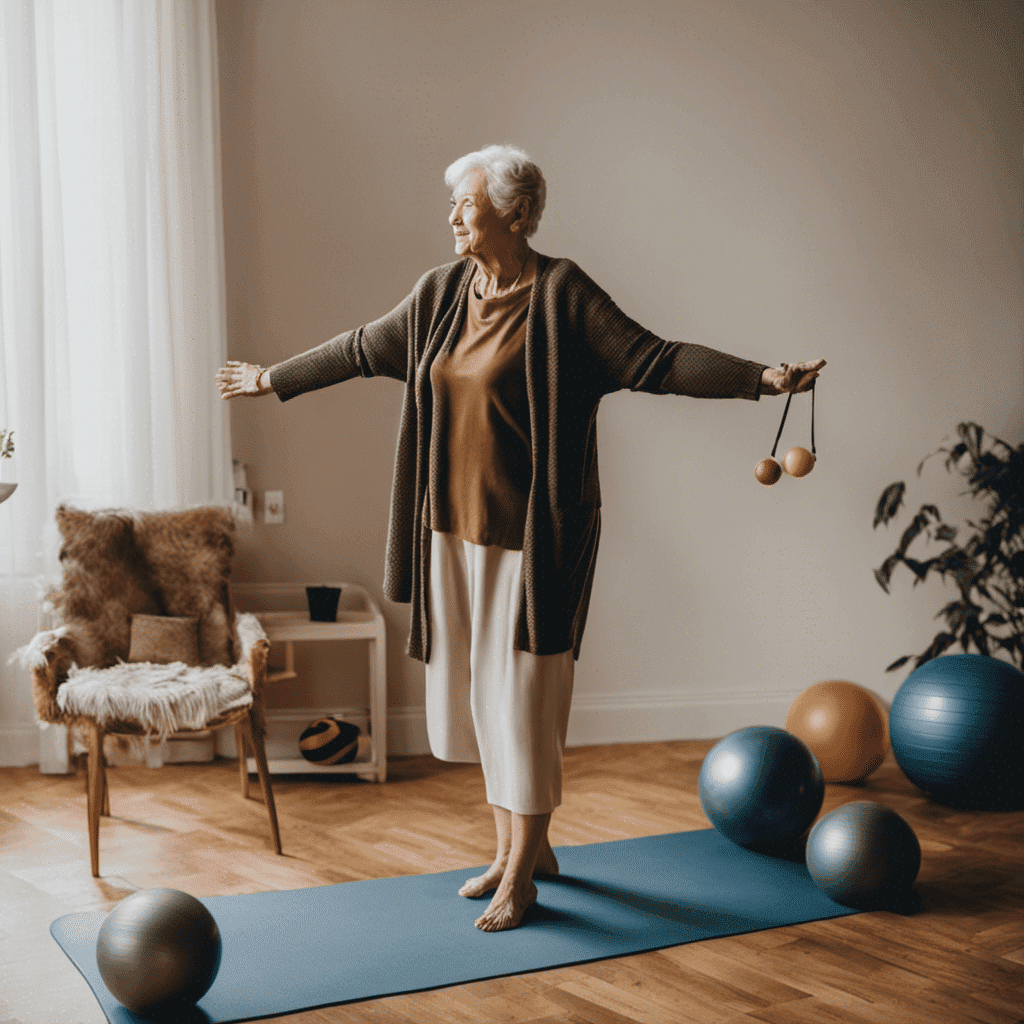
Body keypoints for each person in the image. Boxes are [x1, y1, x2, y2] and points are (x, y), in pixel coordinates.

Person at [217, 144, 825, 932]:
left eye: (463, 206)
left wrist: (763, 379)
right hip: (451, 533)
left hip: (534, 543)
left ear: (513, 212)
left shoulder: (564, 297)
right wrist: (275, 378)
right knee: (483, 698)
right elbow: (365, 346)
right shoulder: (441, 294)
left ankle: (524, 878)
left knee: (525, 702)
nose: (451, 219)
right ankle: (518, 852)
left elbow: (657, 360)